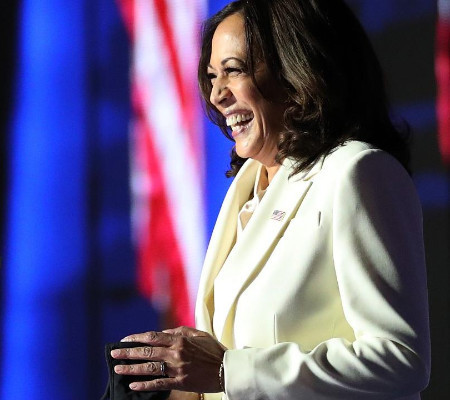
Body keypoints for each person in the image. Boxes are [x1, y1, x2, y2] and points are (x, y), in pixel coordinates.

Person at [111, 0, 431, 399]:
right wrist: (182, 381)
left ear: (296, 72)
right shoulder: (245, 188)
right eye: (212, 76)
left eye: (233, 70)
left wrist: (227, 372)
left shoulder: (358, 172)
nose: (217, 95)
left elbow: (399, 359)